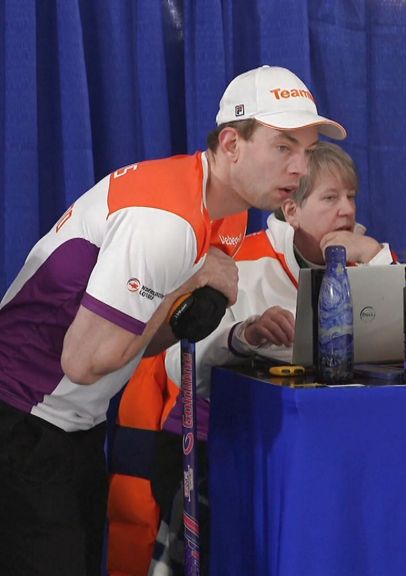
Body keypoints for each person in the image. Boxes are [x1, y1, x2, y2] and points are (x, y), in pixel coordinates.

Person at [0, 64, 344, 576]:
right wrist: (190, 283)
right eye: (283, 147)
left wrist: (193, 307)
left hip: (75, 425)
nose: (300, 168)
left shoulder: (226, 209)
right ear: (232, 144)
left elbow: (142, 338)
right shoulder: (164, 221)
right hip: (22, 418)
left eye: (308, 150)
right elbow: (83, 361)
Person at [106, 140, 394, 576]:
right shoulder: (239, 258)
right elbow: (179, 362)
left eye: (351, 196)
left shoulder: (365, 261)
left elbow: (400, 349)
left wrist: (376, 259)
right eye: (331, 198)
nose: (347, 210)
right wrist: (241, 336)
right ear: (292, 211)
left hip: (323, 448)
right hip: (218, 444)